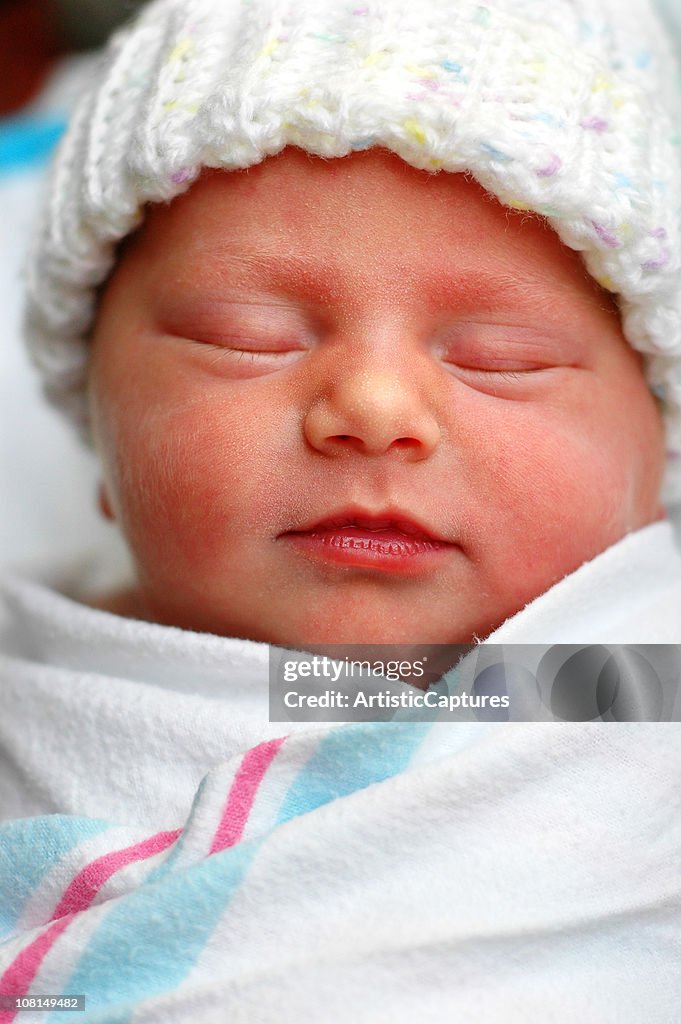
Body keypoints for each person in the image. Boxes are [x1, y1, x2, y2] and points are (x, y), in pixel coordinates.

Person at [1, 0, 680, 1020]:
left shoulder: (639, 686)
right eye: (245, 334)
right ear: (99, 436)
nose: (372, 409)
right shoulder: (35, 700)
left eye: (504, 359)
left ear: (652, 460)